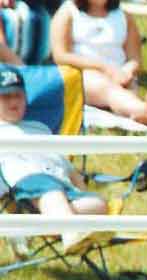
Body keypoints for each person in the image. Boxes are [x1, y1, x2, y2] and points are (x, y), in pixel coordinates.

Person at [0, 64, 109, 255]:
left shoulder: (40, 128)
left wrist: (81, 189)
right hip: (27, 181)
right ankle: (71, 233)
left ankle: (45, 225)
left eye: (18, 95)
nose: (13, 102)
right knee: (51, 193)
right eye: (5, 97)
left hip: (60, 181)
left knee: (99, 205)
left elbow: (65, 163)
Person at [49, 0, 147, 127]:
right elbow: (61, 56)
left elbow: (135, 58)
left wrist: (127, 71)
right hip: (82, 75)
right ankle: (143, 111)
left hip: (120, 76)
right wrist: (104, 68)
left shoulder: (124, 16)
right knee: (107, 88)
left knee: (124, 90)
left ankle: (142, 114)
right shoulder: (67, 12)